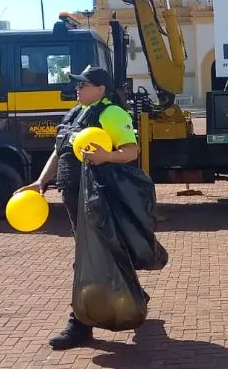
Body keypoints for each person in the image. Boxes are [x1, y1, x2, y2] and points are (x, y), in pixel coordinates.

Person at [14, 65, 141, 350]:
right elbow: (60, 151)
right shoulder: (76, 113)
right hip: (73, 194)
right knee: (102, 251)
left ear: (101, 89)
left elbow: (132, 151)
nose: (78, 88)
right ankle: (133, 295)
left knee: (86, 258)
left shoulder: (111, 113)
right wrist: (41, 181)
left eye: (84, 85)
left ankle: (80, 324)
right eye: (78, 84)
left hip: (98, 195)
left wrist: (106, 155)